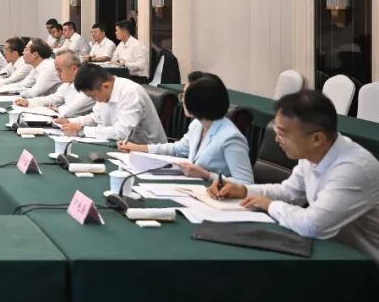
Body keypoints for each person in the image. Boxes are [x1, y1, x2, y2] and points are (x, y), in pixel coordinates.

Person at [209, 90, 379, 262]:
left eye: (283, 133)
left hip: (366, 266)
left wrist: (270, 205)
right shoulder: (313, 154)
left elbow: (311, 225)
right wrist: (243, 190)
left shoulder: (353, 169)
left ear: (317, 139)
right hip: (336, 255)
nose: (277, 139)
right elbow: (289, 194)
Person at [119, 72, 253, 182]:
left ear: (200, 101)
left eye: (185, 95)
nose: (182, 100)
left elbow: (246, 183)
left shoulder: (231, 137)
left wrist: (207, 175)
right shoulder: (198, 124)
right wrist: (136, 148)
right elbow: (177, 149)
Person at [57, 63, 167, 145]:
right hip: (121, 147)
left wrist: (82, 130)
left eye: (93, 96)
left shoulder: (130, 93)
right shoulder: (105, 91)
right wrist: (71, 122)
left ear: (105, 86)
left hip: (147, 153)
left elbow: (122, 132)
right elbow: (97, 117)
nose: (95, 100)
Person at [14, 50, 94, 118]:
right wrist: (28, 102)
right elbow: (53, 99)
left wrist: (58, 109)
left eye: (60, 70)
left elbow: (72, 109)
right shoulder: (67, 84)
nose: (57, 74)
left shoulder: (88, 83)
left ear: (74, 69)